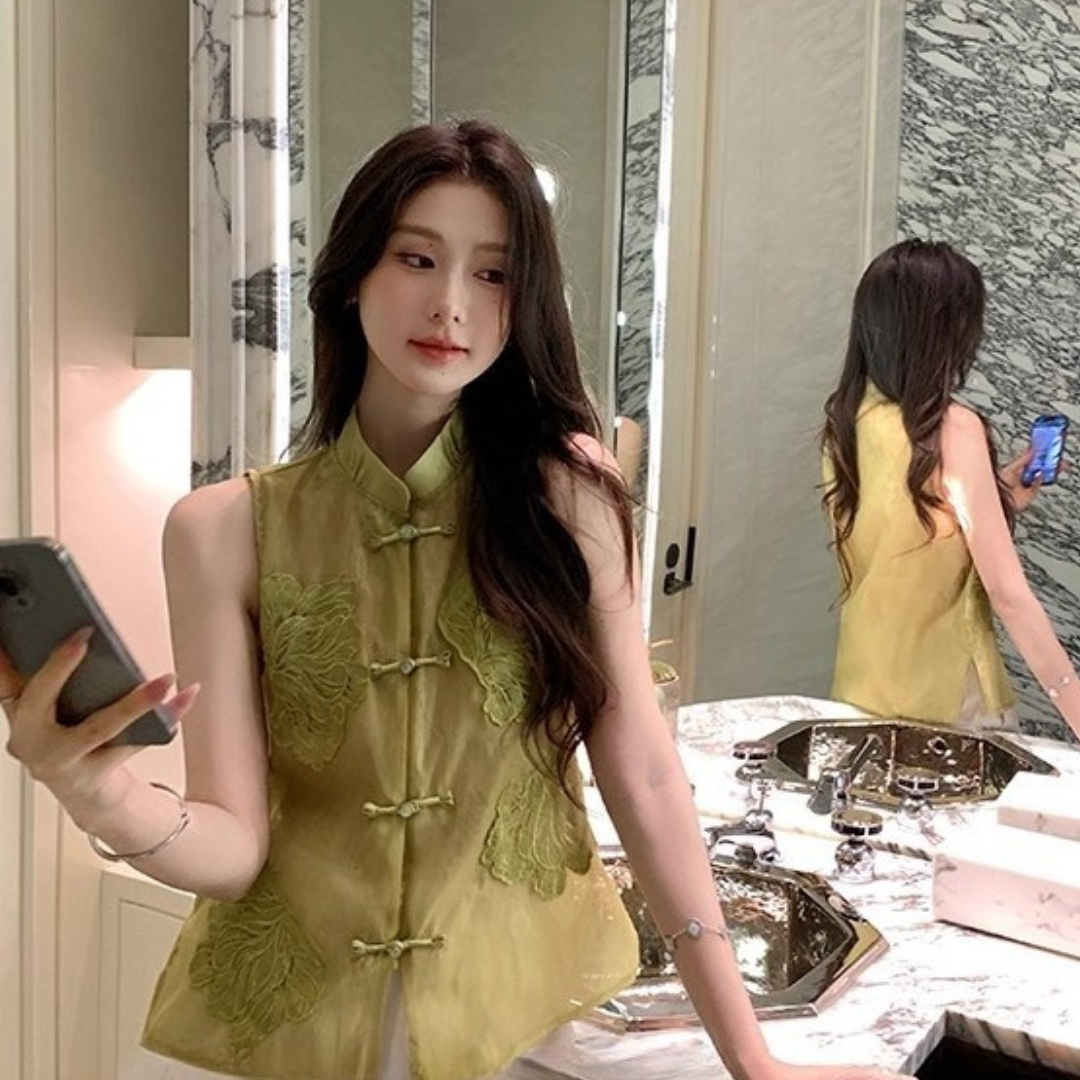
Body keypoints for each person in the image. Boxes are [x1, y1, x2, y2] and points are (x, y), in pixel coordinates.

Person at [2, 120, 905, 1080]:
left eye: (493, 274)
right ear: (354, 276)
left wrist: (752, 1061)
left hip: (510, 1025)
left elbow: (643, 775)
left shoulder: (570, 497)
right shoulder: (220, 530)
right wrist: (98, 793)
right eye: (417, 257)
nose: (450, 304)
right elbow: (232, 849)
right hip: (283, 1034)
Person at [821, 238, 1080, 741]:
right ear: (946, 330)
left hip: (860, 688)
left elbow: (902, 536)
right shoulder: (953, 428)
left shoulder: (845, 423)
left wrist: (997, 496)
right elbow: (1009, 595)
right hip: (947, 702)